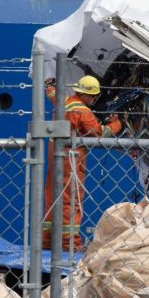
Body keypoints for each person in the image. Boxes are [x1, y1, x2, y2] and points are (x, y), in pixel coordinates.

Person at [43, 75, 122, 251]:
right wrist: (116, 123)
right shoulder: (83, 112)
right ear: (87, 95)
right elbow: (101, 133)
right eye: (93, 96)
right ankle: (70, 244)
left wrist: (49, 85)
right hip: (71, 157)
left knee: (52, 198)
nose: (94, 100)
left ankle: (47, 242)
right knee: (70, 200)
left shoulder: (63, 100)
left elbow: (51, 92)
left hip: (54, 153)